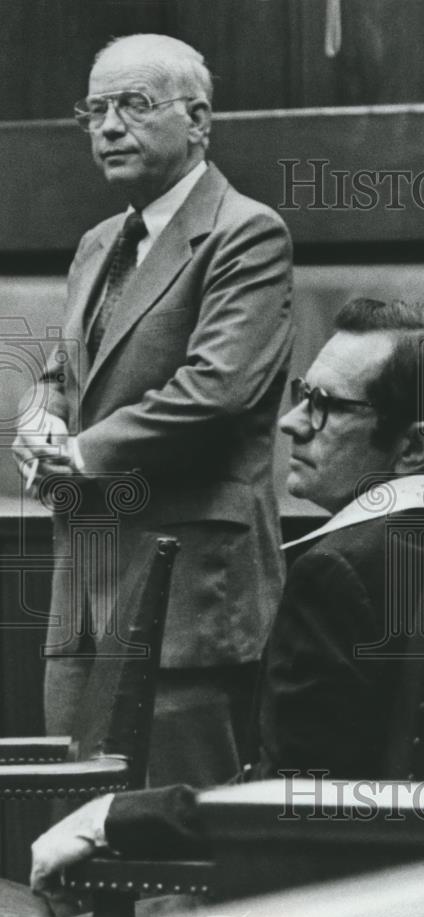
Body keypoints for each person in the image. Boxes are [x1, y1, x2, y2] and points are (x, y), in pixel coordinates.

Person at [24, 298, 424, 897]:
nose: (291, 422)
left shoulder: (337, 571)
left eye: (326, 406)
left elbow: (290, 800)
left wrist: (112, 819)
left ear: (414, 448)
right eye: (301, 393)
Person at [12, 34, 293, 787]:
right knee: (72, 820)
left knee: (180, 836)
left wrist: (82, 451)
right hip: (86, 574)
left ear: (198, 119)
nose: (107, 127)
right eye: (94, 110)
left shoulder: (246, 233)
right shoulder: (100, 240)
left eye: (133, 105)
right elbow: (68, 366)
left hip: (186, 579)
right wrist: (40, 414)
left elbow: (218, 387)